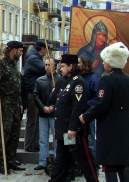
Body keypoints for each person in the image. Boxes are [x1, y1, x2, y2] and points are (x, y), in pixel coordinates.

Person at [79, 42, 129, 182]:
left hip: (109, 128)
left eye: (105, 59)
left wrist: (85, 116)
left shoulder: (107, 79)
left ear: (111, 61)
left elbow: (101, 103)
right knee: (123, 163)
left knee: (109, 164)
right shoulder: (127, 78)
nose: (103, 62)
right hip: (124, 127)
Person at [48, 54, 98, 182]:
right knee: (62, 159)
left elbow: (77, 108)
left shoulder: (78, 83)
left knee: (83, 160)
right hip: (63, 131)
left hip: (72, 132)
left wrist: (73, 128)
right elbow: (53, 100)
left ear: (71, 66)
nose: (60, 69)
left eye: (63, 66)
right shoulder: (64, 81)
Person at [0, 41, 26, 174]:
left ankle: (11, 161)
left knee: (14, 134)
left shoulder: (14, 64)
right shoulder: (1, 63)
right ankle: (1, 163)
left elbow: (17, 85)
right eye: (20, 51)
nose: (21, 53)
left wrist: (20, 102)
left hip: (15, 104)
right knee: (4, 135)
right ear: (13, 50)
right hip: (5, 104)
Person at [33, 58, 63, 171]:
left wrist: (54, 107)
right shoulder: (40, 80)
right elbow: (35, 95)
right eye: (45, 65)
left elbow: (61, 96)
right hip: (43, 113)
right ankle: (43, 161)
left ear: (54, 66)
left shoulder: (60, 80)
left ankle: (57, 160)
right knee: (43, 139)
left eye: (49, 65)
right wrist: (42, 107)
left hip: (55, 114)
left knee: (57, 138)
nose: (47, 67)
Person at [23, 39, 47, 152]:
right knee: (32, 120)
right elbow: (44, 69)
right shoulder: (33, 59)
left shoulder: (35, 57)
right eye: (46, 49)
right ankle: (29, 144)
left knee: (36, 119)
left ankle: (35, 143)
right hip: (32, 92)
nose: (47, 51)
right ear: (42, 49)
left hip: (35, 92)